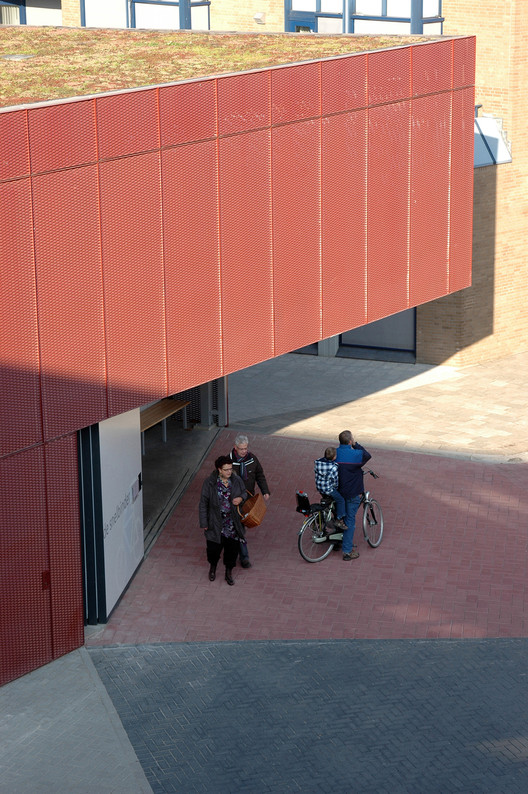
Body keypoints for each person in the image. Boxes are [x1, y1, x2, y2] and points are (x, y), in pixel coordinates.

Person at [199, 455, 247, 586]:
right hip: (215, 523)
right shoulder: (210, 483)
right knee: (213, 549)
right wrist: (204, 522)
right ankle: (213, 568)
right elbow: (203, 503)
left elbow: (244, 493)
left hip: (233, 523)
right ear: (219, 469)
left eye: (230, 469)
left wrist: (241, 499)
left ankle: (228, 572)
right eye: (226, 469)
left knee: (232, 550)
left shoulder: (236, 480)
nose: (229, 472)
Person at [229, 434, 270, 569]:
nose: (244, 451)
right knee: (239, 528)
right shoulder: (228, 462)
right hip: (233, 501)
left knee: (240, 527)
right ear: (235, 447)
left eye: (245, 448)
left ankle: (236, 550)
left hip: (248, 500)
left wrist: (265, 491)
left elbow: (259, 475)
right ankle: (244, 557)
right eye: (241, 449)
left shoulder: (252, 459)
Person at [335, 430, 371, 561]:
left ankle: (336, 542)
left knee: (339, 516)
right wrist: (355, 444)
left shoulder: (334, 453)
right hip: (352, 492)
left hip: (337, 492)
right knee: (350, 520)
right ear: (350, 441)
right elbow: (367, 455)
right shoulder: (356, 455)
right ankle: (347, 551)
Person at [313, 447, 347, 531]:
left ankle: (323, 513)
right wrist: (337, 488)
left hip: (319, 487)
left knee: (328, 500)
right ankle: (339, 520)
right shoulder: (333, 467)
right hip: (328, 489)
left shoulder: (318, 462)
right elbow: (335, 481)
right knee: (341, 500)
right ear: (334, 457)